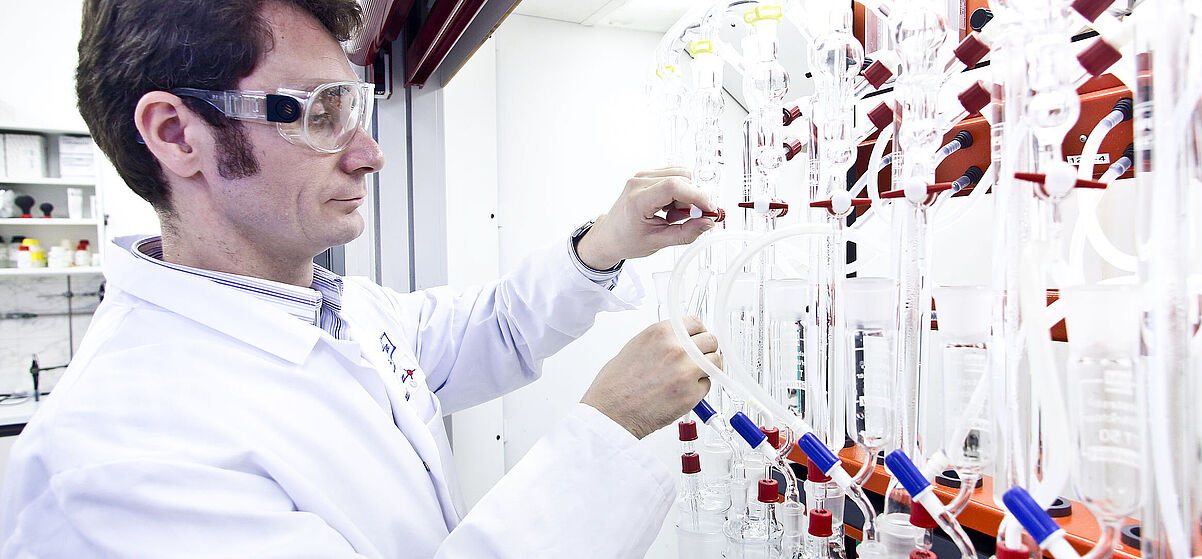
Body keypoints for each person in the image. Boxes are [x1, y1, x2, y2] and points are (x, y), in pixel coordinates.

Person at [0, 1, 722, 556]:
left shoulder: (329, 309)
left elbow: (493, 327)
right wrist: (610, 425)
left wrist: (606, 242)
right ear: (175, 134)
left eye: (353, 106)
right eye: (320, 113)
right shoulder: (117, 463)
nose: (370, 154)